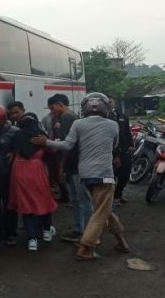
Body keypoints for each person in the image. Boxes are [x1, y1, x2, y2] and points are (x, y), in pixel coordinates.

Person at [32, 92, 131, 261]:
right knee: (100, 211)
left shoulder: (78, 123)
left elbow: (67, 145)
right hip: (104, 174)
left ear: (85, 107)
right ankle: (85, 248)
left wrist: (46, 142)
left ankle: (121, 241)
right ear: (105, 107)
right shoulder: (112, 125)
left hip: (84, 174)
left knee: (104, 208)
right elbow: (114, 145)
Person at [8, 113, 57, 251]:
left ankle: (32, 240)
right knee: (44, 200)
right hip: (37, 171)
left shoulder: (17, 136)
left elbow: (10, 149)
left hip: (19, 171)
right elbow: (51, 153)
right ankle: (47, 232)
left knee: (26, 205)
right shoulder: (41, 136)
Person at [48, 94, 92, 243]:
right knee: (78, 199)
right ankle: (81, 229)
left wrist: (61, 166)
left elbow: (67, 145)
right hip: (76, 163)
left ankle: (86, 232)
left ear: (60, 104)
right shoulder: (71, 116)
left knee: (81, 199)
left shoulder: (67, 118)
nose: (52, 111)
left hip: (75, 164)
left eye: (53, 107)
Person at [0, 105, 19, 246]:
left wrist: (14, 152)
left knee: (9, 204)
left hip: (7, 173)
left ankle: (10, 233)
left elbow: (22, 148)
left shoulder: (14, 132)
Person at [108, 95, 134, 206]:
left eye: (111, 101)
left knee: (126, 173)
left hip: (124, 150)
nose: (109, 103)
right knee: (111, 176)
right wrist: (115, 155)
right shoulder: (104, 117)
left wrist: (131, 144)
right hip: (110, 152)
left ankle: (118, 194)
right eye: (107, 102)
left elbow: (128, 132)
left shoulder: (122, 116)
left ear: (114, 102)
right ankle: (111, 198)